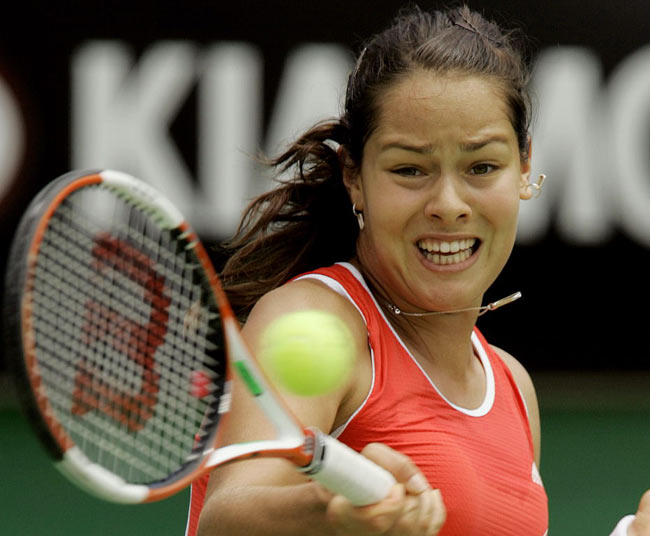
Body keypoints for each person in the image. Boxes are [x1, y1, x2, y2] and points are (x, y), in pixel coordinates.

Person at [185, 5, 650, 535]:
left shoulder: (513, 388)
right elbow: (226, 516)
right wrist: (331, 513)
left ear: (523, 167)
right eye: (410, 169)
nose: (448, 204)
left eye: (481, 166)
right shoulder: (314, 317)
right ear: (355, 178)